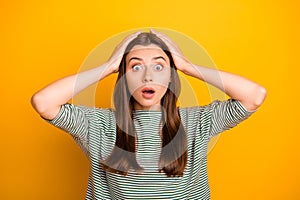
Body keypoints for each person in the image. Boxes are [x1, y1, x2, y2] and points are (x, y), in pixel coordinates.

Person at [31, 29, 267, 199]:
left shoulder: (197, 122)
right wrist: (110, 66)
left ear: (171, 76)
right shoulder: (98, 125)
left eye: (158, 66)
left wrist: (185, 65)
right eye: (135, 66)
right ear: (123, 76)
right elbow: (43, 102)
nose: (147, 77)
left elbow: (255, 95)